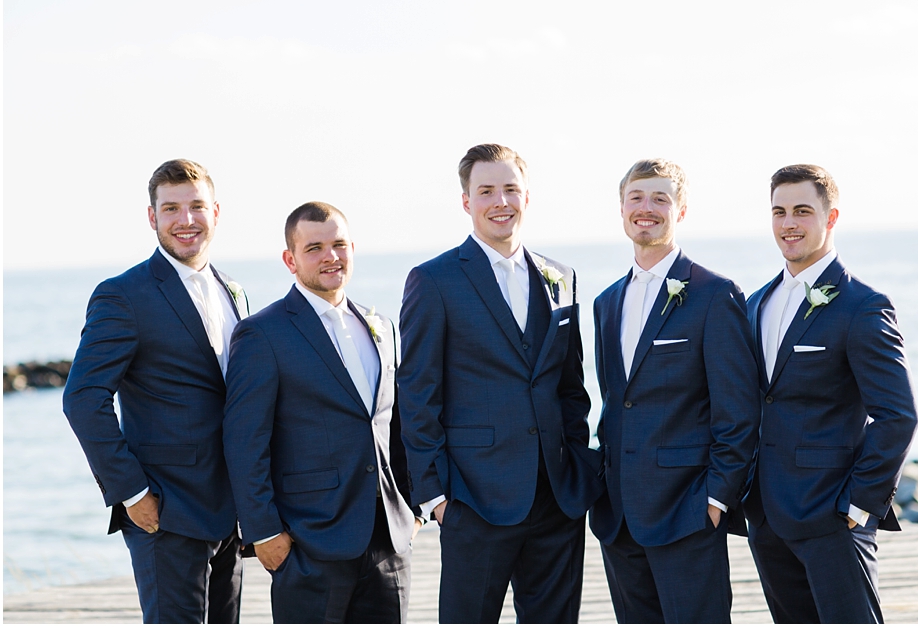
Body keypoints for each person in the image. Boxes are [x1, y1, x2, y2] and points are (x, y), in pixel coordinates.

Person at [397, 143, 604, 623]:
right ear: (466, 201)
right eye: (486, 190)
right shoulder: (434, 280)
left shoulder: (561, 276)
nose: (501, 201)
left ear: (527, 196)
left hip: (557, 499)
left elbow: (571, 386)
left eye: (511, 189)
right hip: (474, 500)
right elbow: (418, 393)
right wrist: (436, 498)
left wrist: (576, 463)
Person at [63, 159, 247, 623]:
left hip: (232, 512)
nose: (186, 220)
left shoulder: (233, 291)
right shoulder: (123, 295)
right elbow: (83, 399)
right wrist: (132, 493)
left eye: (197, 206)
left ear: (216, 212)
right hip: (166, 511)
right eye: (171, 209)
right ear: (152, 217)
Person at [223, 202, 419, 623]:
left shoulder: (381, 326)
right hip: (309, 543)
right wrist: (264, 532)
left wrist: (413, 505)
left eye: (339, 244)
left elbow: (396, 422)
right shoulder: (262, 333)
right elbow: (244, 441)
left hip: (388, 542)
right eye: (314, 248)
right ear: (290, 260)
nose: (330, 256)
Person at [743, 164, 918, 623]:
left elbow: (898, 416)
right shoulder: (755, 303)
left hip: (832, 518)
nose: (789, 223)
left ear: (831, 217)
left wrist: (859, 505)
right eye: (779, 212)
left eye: (802, 211)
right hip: (766, 519)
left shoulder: (863, 306)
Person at [589, 159, 760, 623]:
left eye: (660, 198)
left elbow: (738, 410)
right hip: (618, 518)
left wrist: (716, 498)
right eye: (636, 197)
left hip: (688, 512)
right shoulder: (607, 303)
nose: (646, 208)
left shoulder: (714, 294)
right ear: (621, 208)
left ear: (680, 210)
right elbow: (615, 405)